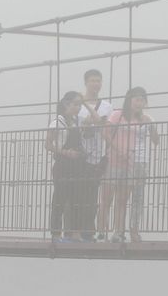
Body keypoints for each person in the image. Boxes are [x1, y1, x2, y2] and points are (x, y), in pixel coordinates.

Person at [102, 86, 157, 243]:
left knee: (124, 199)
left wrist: (150, 124)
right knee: (108, 198)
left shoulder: (145, 118)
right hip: (117, 161)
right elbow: (105, 132)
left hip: (135, 163)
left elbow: (156, 141)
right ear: (129, 100)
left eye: (142, 100)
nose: (139, 103)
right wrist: (118, 150)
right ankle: (103, 232)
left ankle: (122, 232)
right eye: (136, 99)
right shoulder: (118, 115)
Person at [76, 67, 116, 239]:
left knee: (97, 195)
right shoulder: (76, 105)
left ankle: (94, 230)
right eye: (92, 80)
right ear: (86, 83)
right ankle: (82, 230)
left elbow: (103, 124)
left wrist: (91, 120)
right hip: (82, 155)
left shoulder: (107, 106)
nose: (96, 84)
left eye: (98, 81)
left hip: (101, 155)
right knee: (82, 194)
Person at [45, 91, 91, 242]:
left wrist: (86, 105)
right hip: (63, 165)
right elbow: (48, 144)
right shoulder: (57, 122)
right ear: (67, 104)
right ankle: (56, 233)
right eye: (75, 104)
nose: (78, 108)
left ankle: (75, 233)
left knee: (77, 198)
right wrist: (65, 152)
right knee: (60, 198)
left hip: (78, 165)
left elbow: (96, 120)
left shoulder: (78, 121)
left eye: (80, 104)